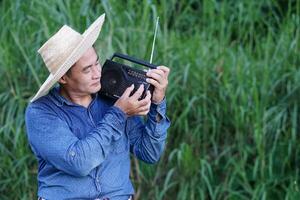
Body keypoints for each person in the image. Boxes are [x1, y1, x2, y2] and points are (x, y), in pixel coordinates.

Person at [25, 13, 170, 200]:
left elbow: (149, 153)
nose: (97, 73)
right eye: (87, 69)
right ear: (63, 78)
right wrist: (119, 113)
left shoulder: (113, 97)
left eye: (97, 63)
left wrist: (157, 103)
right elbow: (78, 162)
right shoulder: (41, 112)